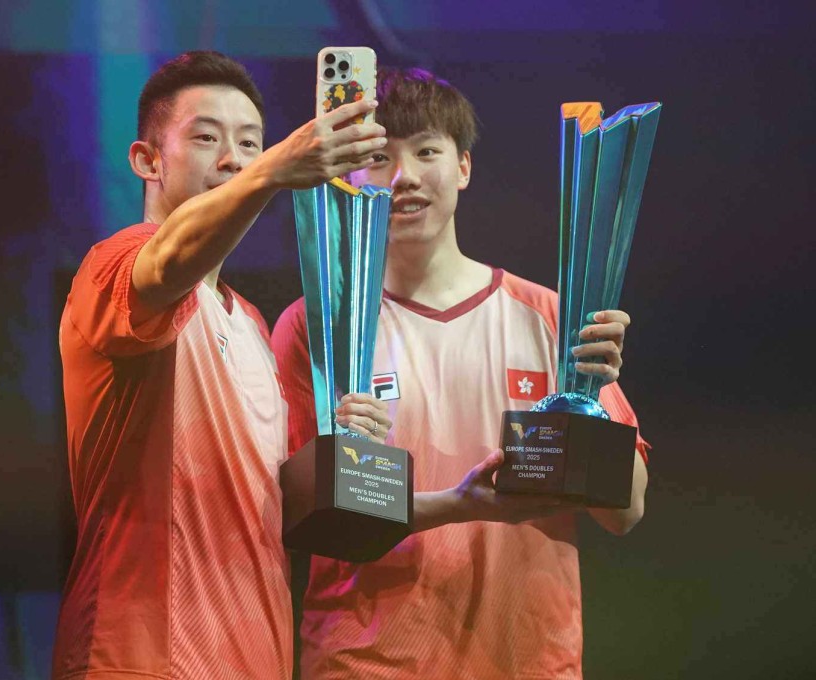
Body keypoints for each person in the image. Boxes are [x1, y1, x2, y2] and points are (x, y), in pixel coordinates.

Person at [271, 67, 650, 680]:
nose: (405, 177)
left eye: (426, 152)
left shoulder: (552, 318)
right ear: (349, 176)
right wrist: (347, 462)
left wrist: (594, 410)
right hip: (364, 661)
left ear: (464, 168)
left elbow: (624, 512)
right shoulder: (315, 331)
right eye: (379, 157)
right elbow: (292, 515)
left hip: (527, 658)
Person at [51, 51, 391, 680]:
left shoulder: (253, 327)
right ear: (147, 161)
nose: (234, 158)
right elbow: (168, 262)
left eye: (250, 143)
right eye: (206, 138)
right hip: (141, 655)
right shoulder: (115, 266)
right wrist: (268, 174)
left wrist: (347, 450)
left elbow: (270, 502)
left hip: (253, 654)